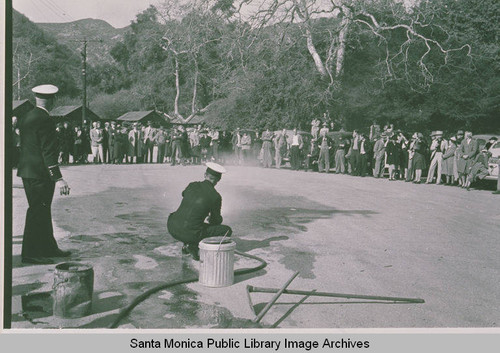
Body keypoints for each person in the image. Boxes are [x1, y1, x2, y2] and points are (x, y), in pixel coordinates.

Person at [17, 84, 71, 264]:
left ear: (36, 98)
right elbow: (47, 151)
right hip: (40, 174)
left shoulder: (27, 116)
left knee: (42, 209)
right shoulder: (45, 119)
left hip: (28, 171)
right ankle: (31, 253)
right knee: (37, 211)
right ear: (52, 100)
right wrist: (59, 178)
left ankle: (48, 247)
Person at [167, 162, 232, 261]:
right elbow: (216, 221)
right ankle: (193, 245)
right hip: (190, 233)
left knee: (191, 221)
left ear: (205, 175)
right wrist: (211, 216)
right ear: (218, 180)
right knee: (226, 230)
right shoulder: (215, 196)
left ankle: (187, 244)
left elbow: (184, 194)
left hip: (172, 226)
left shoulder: (192, 185)